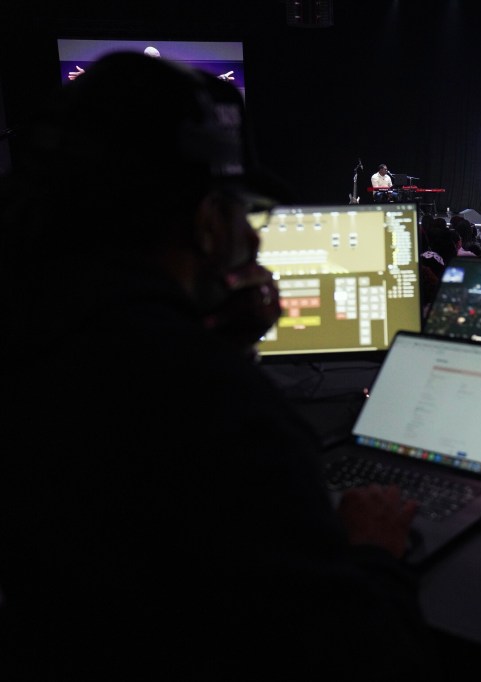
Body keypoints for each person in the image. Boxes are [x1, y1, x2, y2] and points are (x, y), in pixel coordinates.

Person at [0, 52, 429, 679]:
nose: (254, 241)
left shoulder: (33, 344)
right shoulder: (213, 402)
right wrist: (375, 550)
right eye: (242, 212)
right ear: (205, 222)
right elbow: (368, 656)